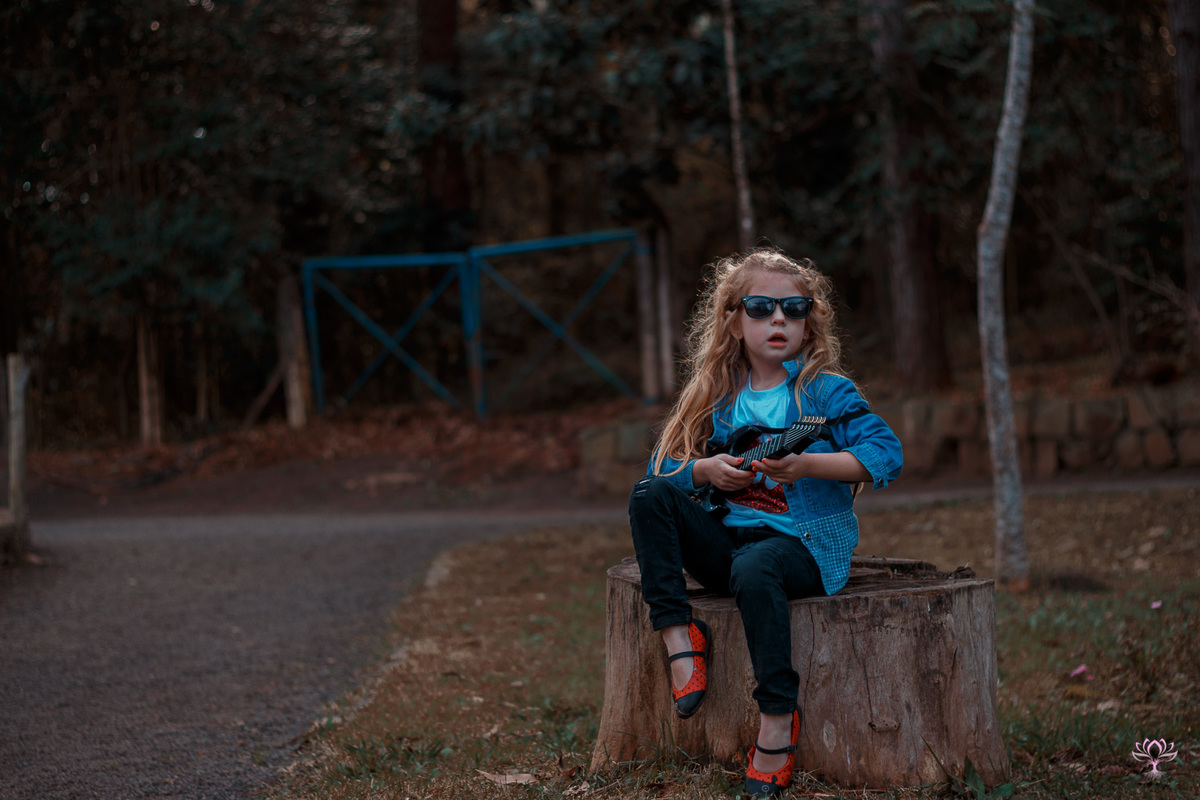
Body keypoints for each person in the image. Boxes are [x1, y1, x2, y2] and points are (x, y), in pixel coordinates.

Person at [628, 248, 903, 796]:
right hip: (726, 548)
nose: (779, 319)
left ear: (808, 321)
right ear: (733, 319)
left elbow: (885, 453)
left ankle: (778, 718)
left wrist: (806, 465)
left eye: (794, 309)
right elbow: (665, 471)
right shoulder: (720, 396)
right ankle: (680, 638)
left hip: (801, 550)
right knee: (649, 494)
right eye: (761, 307)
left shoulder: (824, 392)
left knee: (756, 566)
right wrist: (705, 471)